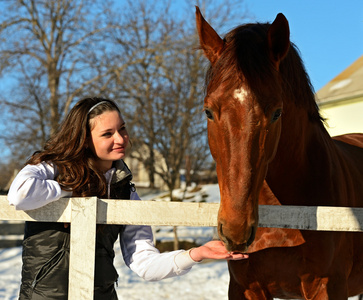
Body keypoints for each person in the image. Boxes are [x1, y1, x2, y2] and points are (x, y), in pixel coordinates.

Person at [8, 97, 248, 299]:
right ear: (84, 138)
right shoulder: (52, 167)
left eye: (122, 129)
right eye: (107, 134)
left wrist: (196, 254)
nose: (121, 139)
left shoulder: (125, 190)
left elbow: (144, 263)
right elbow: (20, 194)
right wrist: (73, 187)